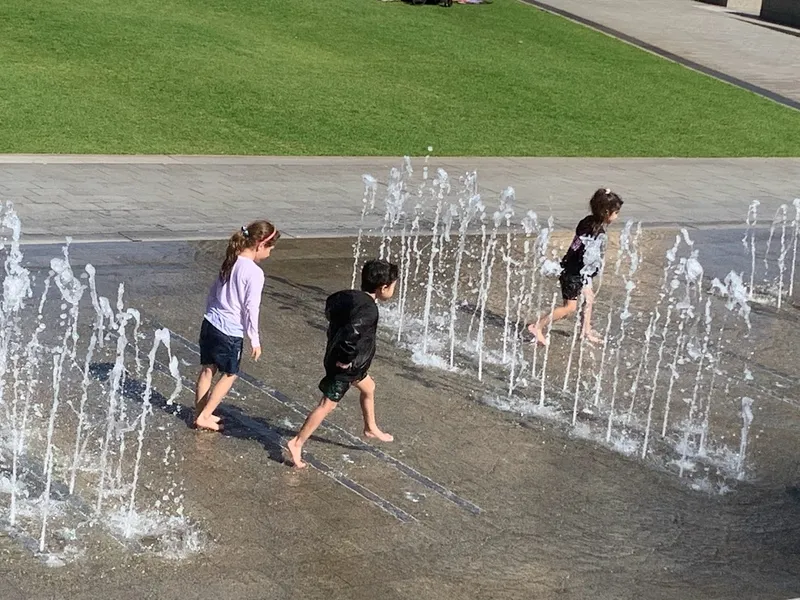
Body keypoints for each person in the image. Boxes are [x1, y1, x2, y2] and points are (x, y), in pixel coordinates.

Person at [286, 259, 398, 469]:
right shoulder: (369, 310)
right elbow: (351, 336)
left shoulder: (348, 296)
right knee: (327, 405)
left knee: (369, 387)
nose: (393, 290)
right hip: (345, 366)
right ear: (383, 287)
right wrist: (345, 361)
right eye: (393, 286)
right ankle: (296, 442)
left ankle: (370, 427)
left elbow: (331, 306)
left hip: (350, 363)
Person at [194, 221, 280, 431]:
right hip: (230, 330)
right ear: (260, 245)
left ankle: (200, 412)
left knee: (208, 370)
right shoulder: (254, 272)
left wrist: (210, 312)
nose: (270, 253)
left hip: (211, 323)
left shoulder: (231, 259)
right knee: (230, 374)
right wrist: (255, 339)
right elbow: (252, 308)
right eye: (270, 248)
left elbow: (213, 291)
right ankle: (204, 416)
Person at [527, 188, 623, 346]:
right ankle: (537, 326)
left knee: (589, 300)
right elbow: (585, 256)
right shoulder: (596, 232)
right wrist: (585, 281)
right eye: (616, 213)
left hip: (575, 269)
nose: (617, 216)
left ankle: (585, 331)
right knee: (569, 307)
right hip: (574, 273)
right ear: (606, 212)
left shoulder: (588, 222)